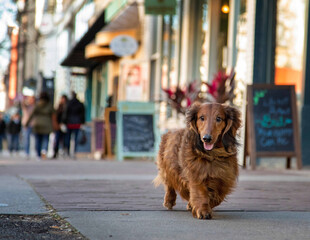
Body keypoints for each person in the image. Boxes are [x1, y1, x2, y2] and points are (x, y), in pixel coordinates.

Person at [26, 92, 56, 160]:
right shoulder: (49, 105)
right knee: (46, 139)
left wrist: (27, 123)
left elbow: (32, 114)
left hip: (38, 124)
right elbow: (54, 114)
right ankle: (44, 150)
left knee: (38, 140)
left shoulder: (37, 105)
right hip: (47, 124)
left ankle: (38, 155)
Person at [63, 91, 85, 158]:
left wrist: (64, 121)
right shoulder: (80, 104)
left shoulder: (68, 103)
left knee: (68, 138)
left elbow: (65, 113)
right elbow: (82, 114)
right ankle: (74, 152)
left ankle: (68, 151)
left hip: (69, 123)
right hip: (77, 123)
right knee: (75, 138)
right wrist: (82, 122)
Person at [52, 94, 68, 159]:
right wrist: (57, 124)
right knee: (57, 139)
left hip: (65, 125)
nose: (62, 100)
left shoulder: (67, 106)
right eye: (61, 99)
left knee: (65, 139)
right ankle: (55, 152)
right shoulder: (59, 107)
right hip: (58, 126)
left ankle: (64, 151)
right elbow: (56, 116)